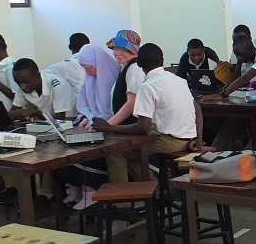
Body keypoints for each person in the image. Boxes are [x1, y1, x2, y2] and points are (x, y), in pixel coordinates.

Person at [95, 43, 203, 185]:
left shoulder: (147, 86)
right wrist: (199, 138)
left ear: (139, 63)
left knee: (116, 151)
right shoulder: (179, 80)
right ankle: (155, 193)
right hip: (189, 139)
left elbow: (143, 127)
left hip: (170, 141)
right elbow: (198, 110)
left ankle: (123, 203)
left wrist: (108, 127)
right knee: (133, 155)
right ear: (162, 60)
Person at [60, 44, 121, 209]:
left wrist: (96, 120)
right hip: (96, 123)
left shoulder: (114, 76)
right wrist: (88, 117)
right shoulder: (91, 79)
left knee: (87, 152)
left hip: (112, 127)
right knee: (66, 146)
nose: (87, 72)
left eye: (88, 68)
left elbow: (113, 111)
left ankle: (90, 192)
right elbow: (86, 105)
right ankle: (77, 189)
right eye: (84, 69)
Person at [10, 58, 76, 120]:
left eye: (26, 82)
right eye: (18, 82)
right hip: (44, 124)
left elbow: (59, 120)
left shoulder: (58, 85)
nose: (22, 86)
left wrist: (34, 112)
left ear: (38, 75)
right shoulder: (22, 86)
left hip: (70, 124)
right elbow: (14, 111)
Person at [107, 31, 146, 127]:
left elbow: (132, 102)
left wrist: (108, 125)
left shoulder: (134, 68)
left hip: (131, 127)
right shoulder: (125, 66)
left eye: (123, 49)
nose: (117, 53)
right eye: (116, 48)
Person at [45, 32, 90, 100]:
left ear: (69, 47)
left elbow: (42, 75)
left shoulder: (67, 65)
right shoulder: (98, 62)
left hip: (79, 107)